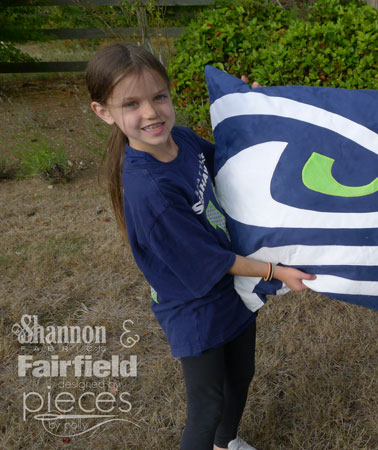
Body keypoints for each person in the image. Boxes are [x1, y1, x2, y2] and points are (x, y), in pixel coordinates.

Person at [86, 42, 315, 450]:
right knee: (207, 404)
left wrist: (250, 112)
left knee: (241, 374)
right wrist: (274, 272)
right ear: (104, 112)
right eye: (131, 104)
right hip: (194, 306)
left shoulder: (184, 140)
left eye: (159, 96)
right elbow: (205, 259)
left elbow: (233, 165)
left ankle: (225, 443)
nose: (152, 112)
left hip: (230, 289)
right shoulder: (150, 189)